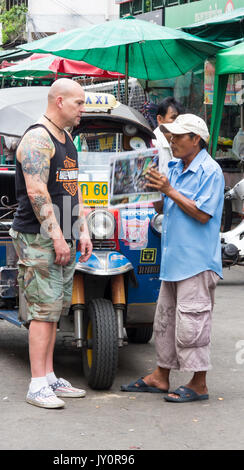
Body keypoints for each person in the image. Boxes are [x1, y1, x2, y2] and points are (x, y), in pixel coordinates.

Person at [121, 114, 224, 403]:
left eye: (179, 136)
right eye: (171, 135)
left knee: (193, 324)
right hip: (173, 260)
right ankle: (160, 375)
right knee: (165, 323)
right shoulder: (175, 167)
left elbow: (202, 214)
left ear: (196, 140)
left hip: (197, 261)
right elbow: (164, 207)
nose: (173, 140)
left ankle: (199, 383)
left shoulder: (211, 171)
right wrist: (156, 191)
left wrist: (168, 190)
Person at [10, 78, 92, 409]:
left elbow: (73, 188)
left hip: (65, 236)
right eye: (79, 103)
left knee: (55, 309)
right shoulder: (37, 140)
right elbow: (37, 192)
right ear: (59, 101)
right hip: (39, 237)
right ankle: (36, 384)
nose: (82, 110)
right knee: (43, 311)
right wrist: (57, 236)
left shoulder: (67, 139)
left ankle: (49, 376)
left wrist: (82, 229)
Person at [152, 97, 184, 175]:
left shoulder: (180, 141)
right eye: (173, 118)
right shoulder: (153, 144)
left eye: (180, 119)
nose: (178, 123)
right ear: (160, 119)